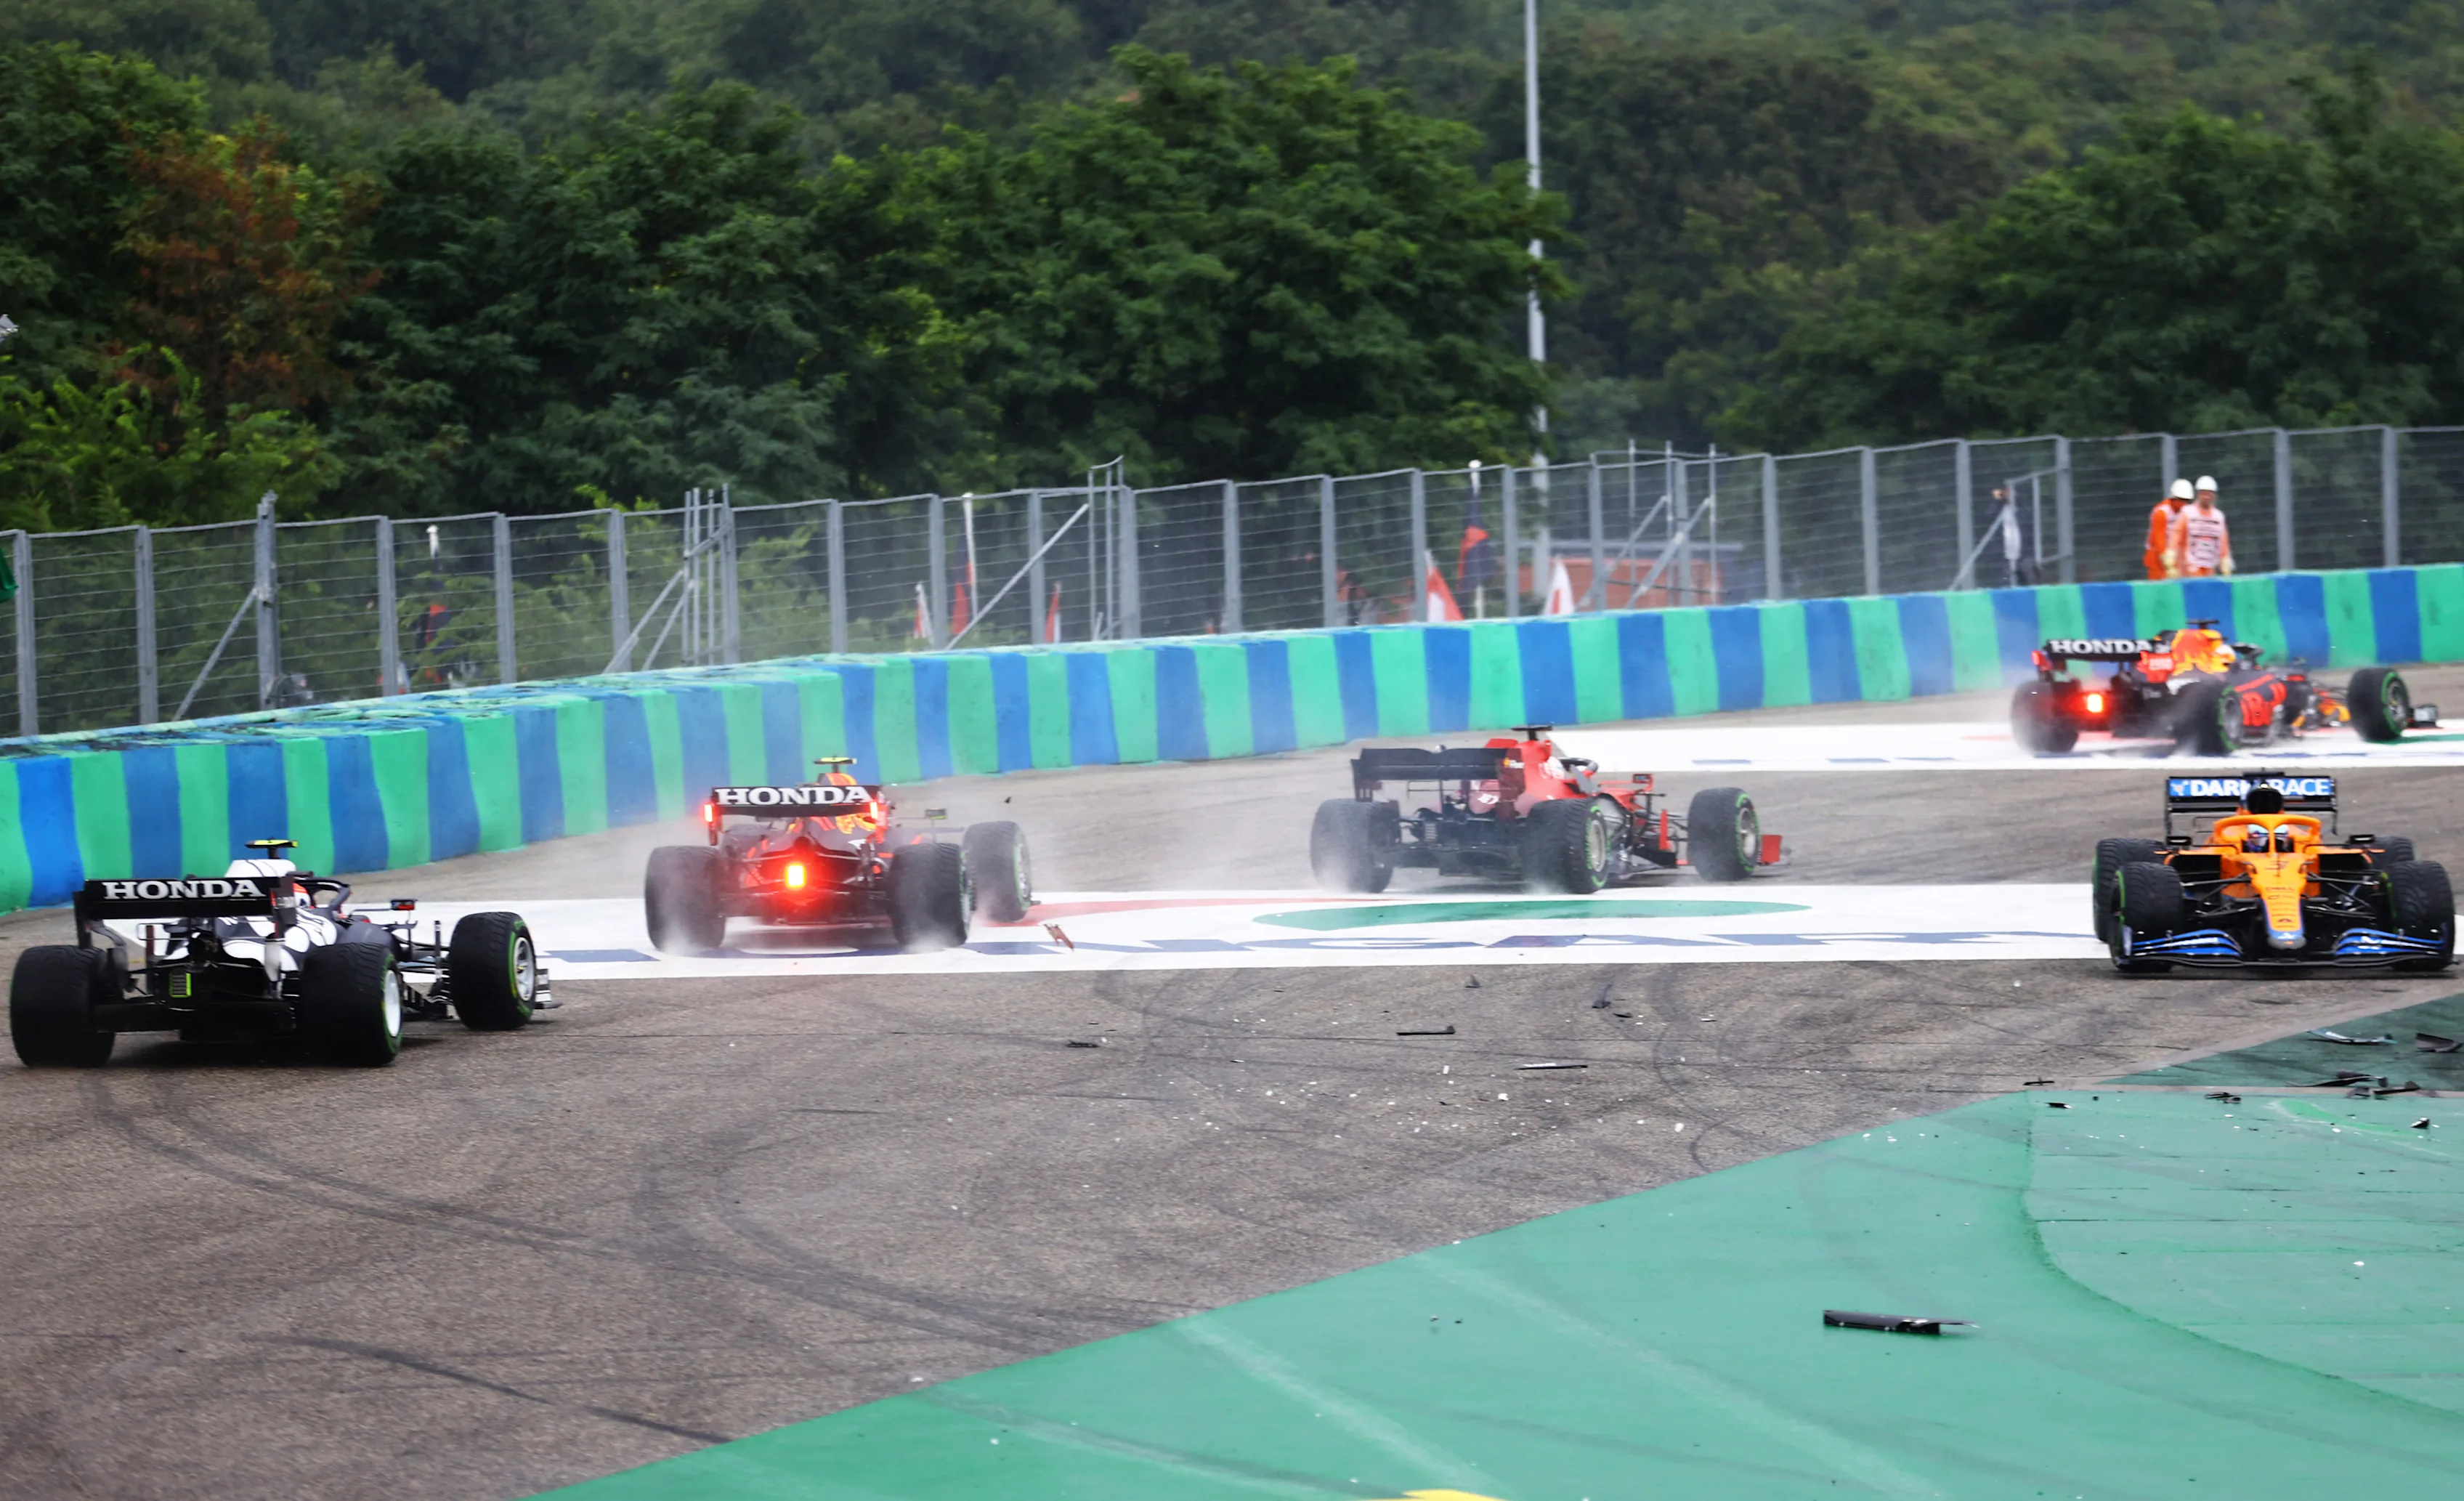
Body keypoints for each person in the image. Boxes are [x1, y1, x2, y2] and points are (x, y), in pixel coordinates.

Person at [2168, 476, 2235, 578]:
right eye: (2203, 493)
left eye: (2209, 493)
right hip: (2190, 566)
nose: (2206, 497)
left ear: (2214, 495)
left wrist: (2225, 560)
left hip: (2210, 565)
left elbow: (2223, 541)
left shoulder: (2218, 517)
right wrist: (2171, 554)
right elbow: (2176, 533)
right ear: (2198, 494)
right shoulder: (2187, 513)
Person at [2144, 478, 2193, 579]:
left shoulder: (2185, 513)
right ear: (2174, 498)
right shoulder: (2161, 512)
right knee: (2158, 589)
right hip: (2157, 556)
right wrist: (2166, 561)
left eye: (2186, 501)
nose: (2184, 503)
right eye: (2181, 500)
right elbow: (2158, 538)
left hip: (2175, 556)